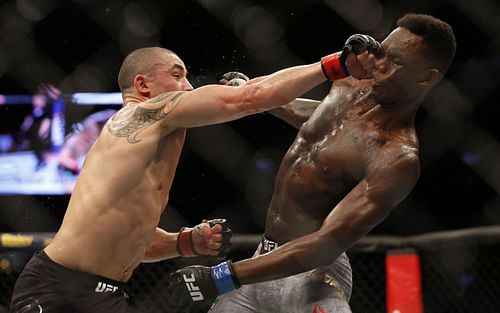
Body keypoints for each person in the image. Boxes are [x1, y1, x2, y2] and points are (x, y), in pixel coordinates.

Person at [10, 37, 377, 313]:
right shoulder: (147, 112)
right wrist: (335, 65)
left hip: (102, 293)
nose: (188, 87)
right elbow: (248, 98)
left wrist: (185, 243)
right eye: (177, 75)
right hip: (57, 287)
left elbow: (134, 240)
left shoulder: (142, 153)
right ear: (143, 87)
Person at [169, 13, 457, 313]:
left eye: (395, 62)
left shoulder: (397, 156)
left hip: (314, 276)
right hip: (261, 261)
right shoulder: (351, 82)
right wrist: (264, 98)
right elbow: (322, 119)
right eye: (382, 53)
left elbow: (325, 244)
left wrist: (222, 277)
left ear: (426, 77)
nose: (379, 66)